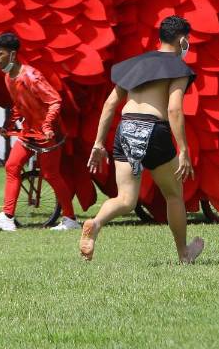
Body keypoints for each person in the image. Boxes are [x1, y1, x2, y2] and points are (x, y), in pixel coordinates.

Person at [81, 16, 203, 263]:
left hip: (125, 128)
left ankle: (96, 223)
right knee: (173, 195)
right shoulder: (179, 68)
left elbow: (110, 104)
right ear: (182, 40)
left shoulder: (135, 64)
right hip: (154, 129)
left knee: (125, 199)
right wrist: (183, 150)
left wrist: (98, 143)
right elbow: (174, 110)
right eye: (187, 40)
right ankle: (184, 253)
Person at [0, 32, 79, 232]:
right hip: (28, 132)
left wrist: (48, 125)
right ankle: (7, 216)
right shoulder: (9, 77)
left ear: (13, 54)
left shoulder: (31, 76)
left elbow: (54, 101)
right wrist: (8, 125)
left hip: (48, 135)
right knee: (12, 166)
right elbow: (19, 105)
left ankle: (70, 219)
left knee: (51, 175)